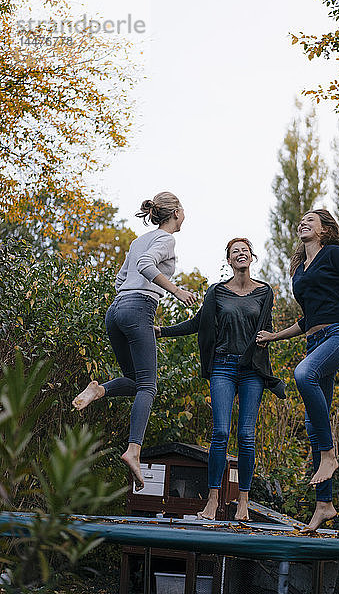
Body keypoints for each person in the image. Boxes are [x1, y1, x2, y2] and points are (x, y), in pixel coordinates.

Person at [256, 209, 339, 532]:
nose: (303, 222)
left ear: (324, 230)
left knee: (302, 375)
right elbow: (307, 320)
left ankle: (329, 454)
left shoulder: (336, 254)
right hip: (316, 341)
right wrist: (274, 336)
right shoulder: (299, 270)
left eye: (311, 220)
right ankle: (324, 504)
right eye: (302, 220)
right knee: (312, 423)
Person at [72, 192, 196, 490]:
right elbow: (145, 265)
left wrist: (129, 302)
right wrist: (177, 292)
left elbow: (120, 279)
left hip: (115, 311)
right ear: (177, 212)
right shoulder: (166, 239)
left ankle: (98, 390)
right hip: (138, 308)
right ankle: (133, 450)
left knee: (134, 380)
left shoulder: (139, 240)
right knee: (149, 386)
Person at [155, 238, 285, 521]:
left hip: (251, 370)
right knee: (221, 433)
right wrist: (162, 331)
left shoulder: (265, 292)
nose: (241, 254)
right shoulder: (216, 292)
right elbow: (196, 324)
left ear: (252, 258)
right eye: (235, 251)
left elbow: (267, 330)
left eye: (245, 251)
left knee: (247, 436)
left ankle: (243, 502)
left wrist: (269, 338)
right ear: (228, 260)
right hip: (223, 367)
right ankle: (212, 500)